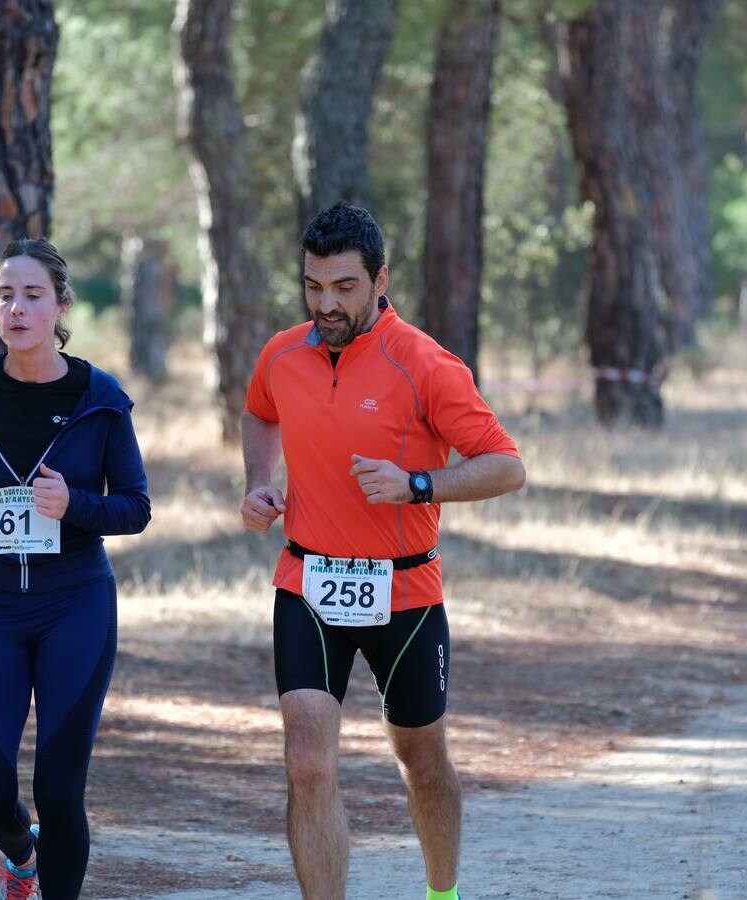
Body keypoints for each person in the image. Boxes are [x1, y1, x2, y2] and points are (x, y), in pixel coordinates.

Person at [239, 202, 526, 900]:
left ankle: (441, 894)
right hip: (307, 581)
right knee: (307, 762)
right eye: (313, 286)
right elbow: (259, 411)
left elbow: (505, 465)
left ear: (379, 280)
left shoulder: (425, 364)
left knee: (421, 760)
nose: (325, 303)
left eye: (342, 287)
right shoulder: (283, 353)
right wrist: (259, 484)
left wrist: (418, 484)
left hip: (404, 593)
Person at [0, 237, 150, 899]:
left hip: (73, 603)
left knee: (59, 787)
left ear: (60, 307)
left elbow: (134, 507)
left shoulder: (99, 397)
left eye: (31, 295)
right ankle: (23, 856)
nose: (16, 309)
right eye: (5, 295)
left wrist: (73, 504)